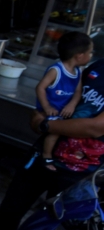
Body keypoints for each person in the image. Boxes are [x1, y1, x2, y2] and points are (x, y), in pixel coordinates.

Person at [0, 57, 104, 230]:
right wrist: (41, 111)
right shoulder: (98, 65)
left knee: (47, 226)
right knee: (11, 208)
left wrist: (47, 126)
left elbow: (96, 127)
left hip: (78, 170)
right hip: (42, 154)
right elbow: (62, 92)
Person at [34, 31, 95, 170]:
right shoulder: (56, 70)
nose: (91, 56)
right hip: (51, 110)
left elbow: (78, 91)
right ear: (79, 56)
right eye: (90, 52)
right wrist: (47, 107)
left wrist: (72, 105)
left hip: (64, 110)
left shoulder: (78, 71)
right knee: (55, 131)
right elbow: (40, 88)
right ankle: (46, 156)